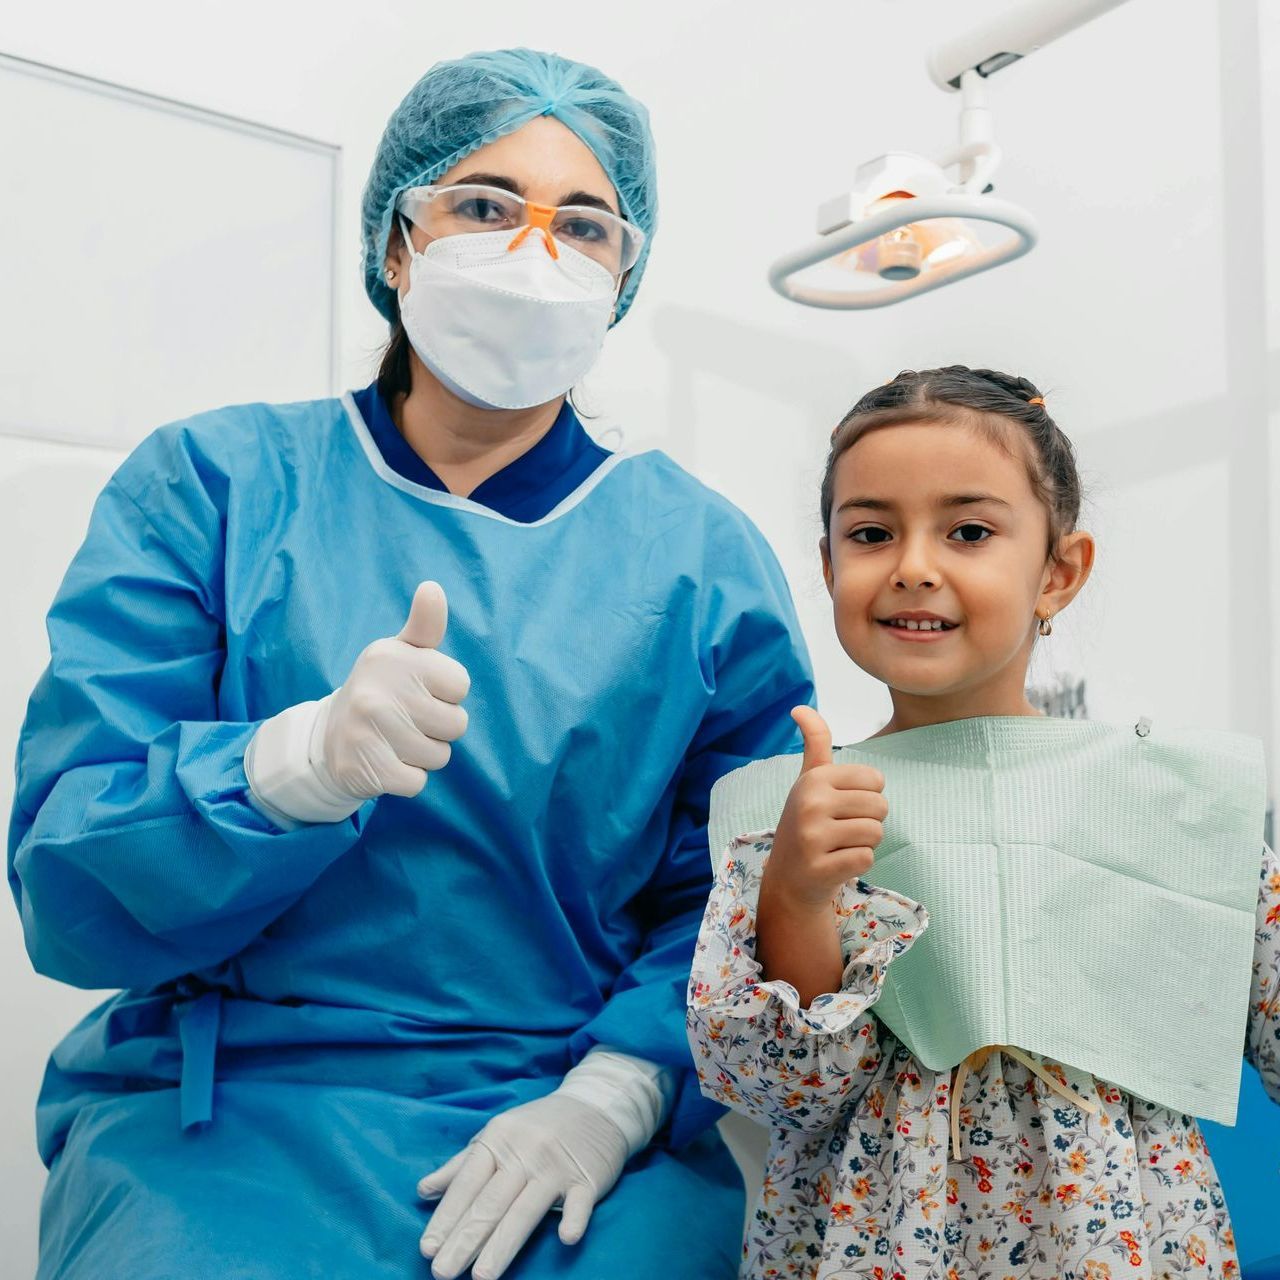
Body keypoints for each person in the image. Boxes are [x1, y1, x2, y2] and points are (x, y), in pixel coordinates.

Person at [8, 48, 813, 1280]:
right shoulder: (211, 487)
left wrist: (614, 1095)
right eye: (484, 207)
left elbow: (738, 889)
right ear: (396, 242)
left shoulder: (699, 560)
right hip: (227, 1107)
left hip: (566, 1097)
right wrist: (289, 765)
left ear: (623, 272)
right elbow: (69, 883)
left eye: (582, 225)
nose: (531, 253)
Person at [686, 366, 1280, 1279]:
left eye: (968, 531)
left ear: (1059, 571)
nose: (914, 564)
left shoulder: (1172, 799)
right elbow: (783, 1089)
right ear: (829, 565)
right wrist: (799, 892)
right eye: (872, 532)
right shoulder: (786, 810)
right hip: (870, 1245)